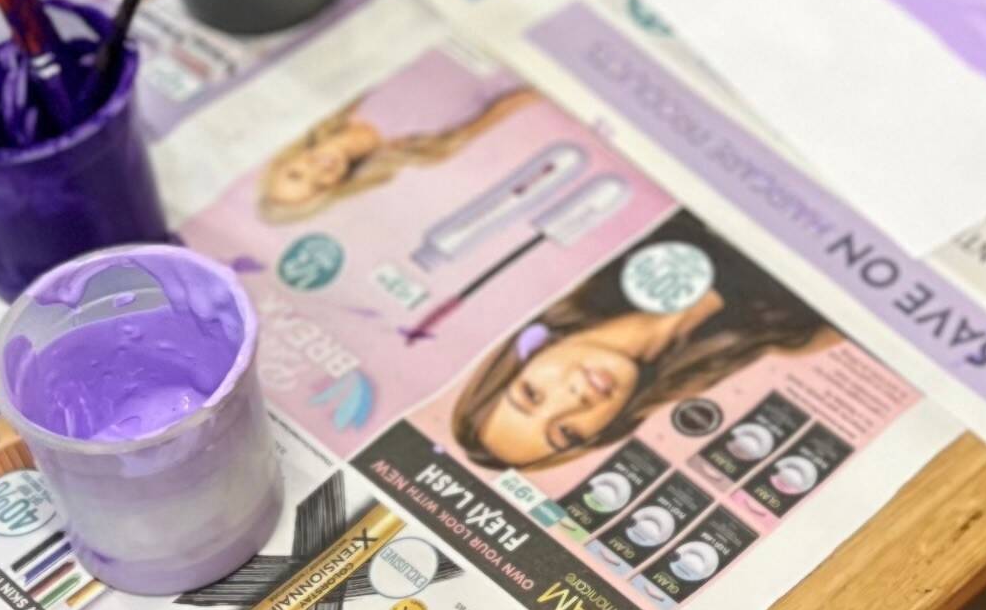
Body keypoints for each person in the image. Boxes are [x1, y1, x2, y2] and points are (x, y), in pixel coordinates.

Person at [450, 250, 834, 474]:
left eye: (531, 393)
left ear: (526, 355)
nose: (573, 401)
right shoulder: (792, 340)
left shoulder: (602, 253)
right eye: (567, 433)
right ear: (606, 429)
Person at [256, 69, 538, 222]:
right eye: (319, 186)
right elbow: (513, 102)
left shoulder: (342, 96)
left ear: (287, 159)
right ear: (335, 186)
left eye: (297, 174)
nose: (318, 171)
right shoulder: (423, 152)